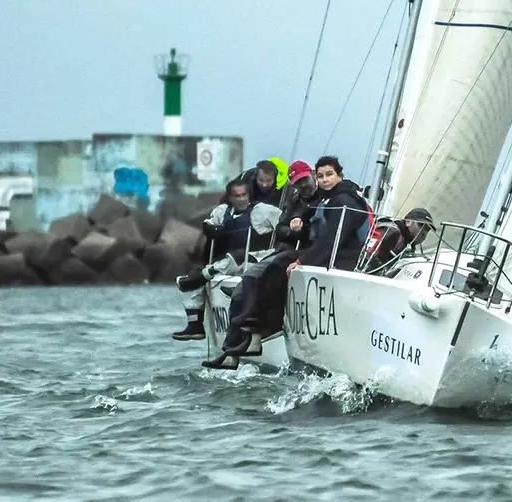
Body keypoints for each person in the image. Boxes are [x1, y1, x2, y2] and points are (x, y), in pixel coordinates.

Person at [202, 155, 372, 370]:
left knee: (266, 273)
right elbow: (295, 219)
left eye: (329, 174)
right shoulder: (323, 198)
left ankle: (248, 338)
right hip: (313, 254)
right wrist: (296, 222)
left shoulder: (345, 201)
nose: (325, 180)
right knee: (255, 277)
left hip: (335, 260)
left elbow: (330, 241)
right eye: (321, 176)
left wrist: (301, 259)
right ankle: (242, 342)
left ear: (339, 174)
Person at [171, 178, 280, 341]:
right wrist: (211, 229)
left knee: (214, 269)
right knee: (197, 278)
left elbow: (283, 221)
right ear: (230, 198)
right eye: (237, 196)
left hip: (256, 260)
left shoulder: (262, 211)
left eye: (244, 195)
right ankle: (195, 325)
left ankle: (205, 274)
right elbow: (208, 224)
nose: (242, 199)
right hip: (229, 262)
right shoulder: (222, 212)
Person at [360, 208, 434, 275]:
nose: (424, 232)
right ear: (408, 222)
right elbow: (368, 256)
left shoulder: (405, 241)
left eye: (427, 229)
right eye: (421, 225)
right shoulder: (392, 232)